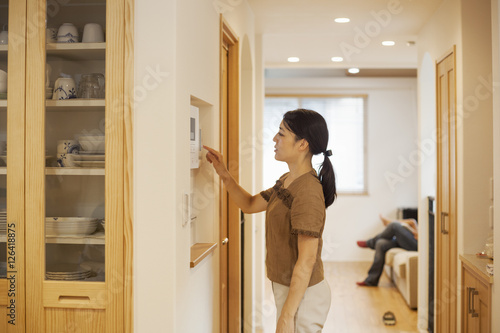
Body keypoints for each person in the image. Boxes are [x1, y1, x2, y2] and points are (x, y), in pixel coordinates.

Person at [204, 108, 336, 333]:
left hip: (305, 297)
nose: (275, 139)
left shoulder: (307, 192)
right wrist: (224, 174)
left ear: (302, 144)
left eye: (281, 133)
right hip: (289, 290)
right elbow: (249, 204)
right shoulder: (287, 180)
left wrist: (286, 316)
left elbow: (307, 260)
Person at [356, 214, 418, 286]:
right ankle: (371, 280)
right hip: (414, 239)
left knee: (394, 225)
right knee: (380, 243)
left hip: (418, 245)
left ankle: (370, 242)